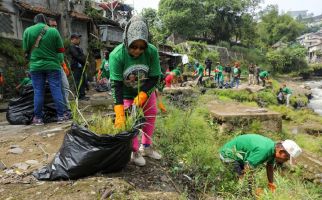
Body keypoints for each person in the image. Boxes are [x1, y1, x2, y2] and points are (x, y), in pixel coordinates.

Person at [109, 16, 162, 166]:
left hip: (145, 91)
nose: (137, 51)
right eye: (133, 46)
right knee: (130, 121)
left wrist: (143, 94)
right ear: (126, 40)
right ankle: (134, 151)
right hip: (125, 93)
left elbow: (154, 77)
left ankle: (146, 147)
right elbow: (116, 85)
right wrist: (119, 111)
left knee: (150, 116)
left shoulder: (152, 52)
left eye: (141, 47)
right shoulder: (116, 55)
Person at [23, 13, 66, 125]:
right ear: (45, 21)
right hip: (52, 65)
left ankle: (38, 118)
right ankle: (61, 116)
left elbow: (26, 50)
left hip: (36, 66)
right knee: (56, 89)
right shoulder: (53, 31)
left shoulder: (28, 31)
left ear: (35, 21)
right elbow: (61, 50)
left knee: (38, 92)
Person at [220, 134, 302, 193]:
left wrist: (271, 183)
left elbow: (269, 167)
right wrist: (252, 188)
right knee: (243, 183)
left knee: (247, 181)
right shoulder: (264, 150)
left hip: (240, 158)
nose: (286, 161)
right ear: (281, 151)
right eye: (286, 158)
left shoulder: (272, 149)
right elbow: (248, 168)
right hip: (229, 155)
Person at [49, 18, 71, 118]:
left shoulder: (57, 36)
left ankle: (66, 108)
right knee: (58, 88)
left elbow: (60, 51)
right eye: (52, 26)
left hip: (59, 65)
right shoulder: (47, 38)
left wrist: (63, 63)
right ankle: (63, 111)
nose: (54, 28)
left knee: (65, 86)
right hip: (52, 66)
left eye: (55, 26)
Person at [69, 33, 89, 100]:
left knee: (83, 80)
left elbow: (82, 56)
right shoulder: (72, 47)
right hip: (76, 67)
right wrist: (85, 61)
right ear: (72, 40)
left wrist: (86, 61)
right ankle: (78, 96)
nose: (78, 40)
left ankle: (82, 95)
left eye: (78, 38)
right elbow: (77, 56)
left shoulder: (79, 48)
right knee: (78, 81)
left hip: (81, 67)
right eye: (76, 38)